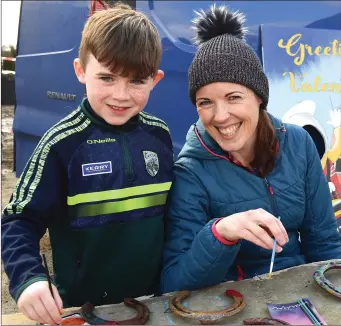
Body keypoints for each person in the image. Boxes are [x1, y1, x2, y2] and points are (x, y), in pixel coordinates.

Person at [2, 3, 174, 324]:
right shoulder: (62, 143)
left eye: (137, 81)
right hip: (84, 309)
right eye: (107, 77)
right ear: (81, 71)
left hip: (153, 301)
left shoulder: (159, 135)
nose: (121, 95)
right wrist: (28, 278)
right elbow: (18, 220)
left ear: (156, 79)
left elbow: (174, 214)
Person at [161, 4, 341, 294]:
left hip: (305, 293)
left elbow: (325, 244)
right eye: (205, 102)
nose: (220, 116)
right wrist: (221, 233)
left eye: (233, 97)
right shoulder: (191, 171)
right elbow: (174, 282)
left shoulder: (298, 144)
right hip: (237, 304)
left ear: (259, 97)